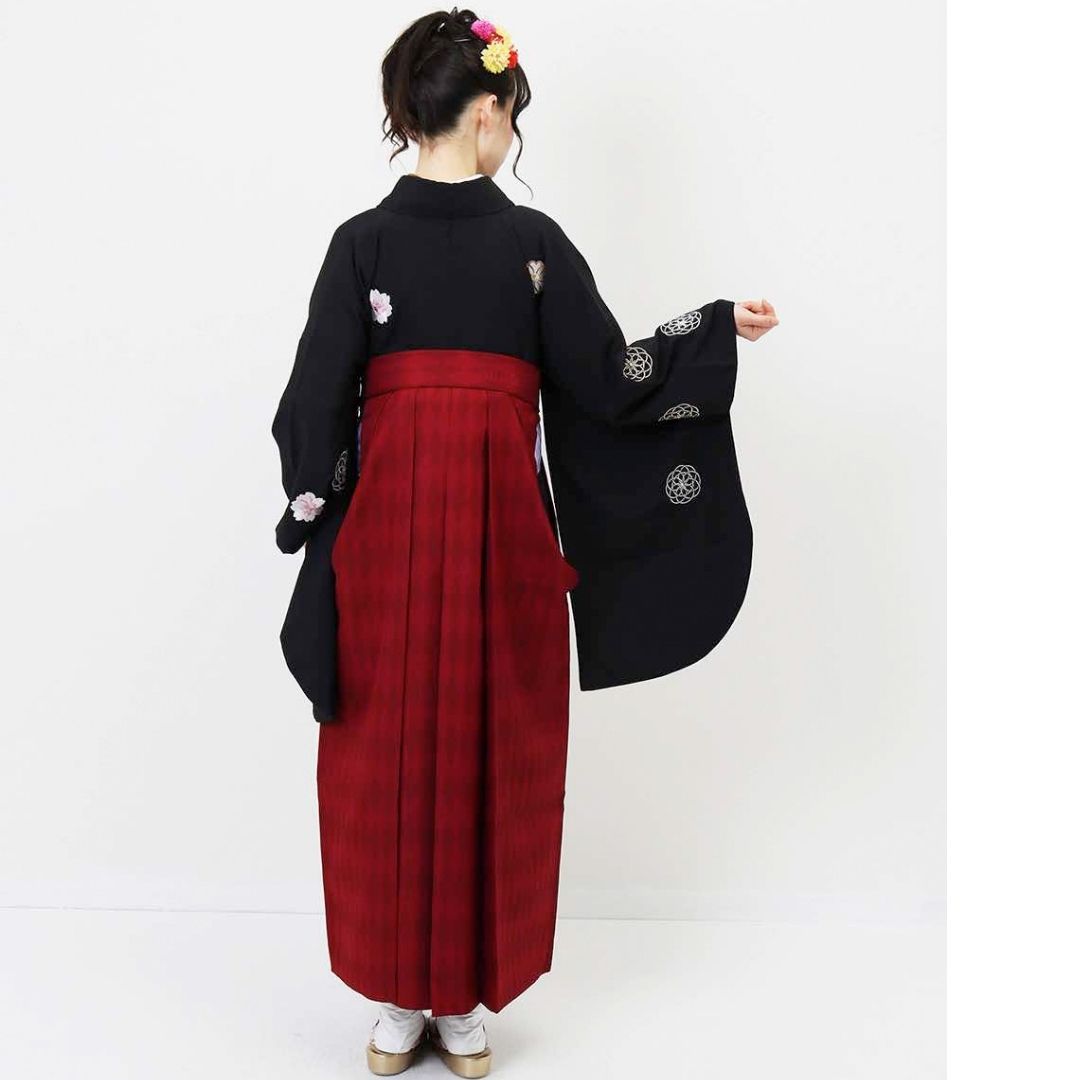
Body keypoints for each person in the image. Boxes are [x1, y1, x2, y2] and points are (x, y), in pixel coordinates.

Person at [271, 8, 779, 1077]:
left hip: (503, 540)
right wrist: (313, 505)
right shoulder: (364, 244)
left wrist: (704, 332)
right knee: (382, 747)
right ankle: (398, 993)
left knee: (493, 739)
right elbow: (319, 395)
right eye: (513, 115)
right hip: (387, 542)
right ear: (488, 110)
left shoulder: (533, 248)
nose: (511, 134)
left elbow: (601, 379)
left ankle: (459, 999)